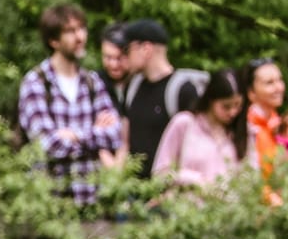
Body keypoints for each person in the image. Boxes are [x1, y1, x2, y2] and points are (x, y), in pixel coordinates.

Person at [16, 3, 123, 207]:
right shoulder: (36, 82)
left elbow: (114, 135)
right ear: (54, 40)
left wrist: (74, 135)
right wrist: (94, 134)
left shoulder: (92, 82)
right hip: (49, 204)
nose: (80, 37)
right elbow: (48, 145)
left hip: (92, 201)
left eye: (82, 28)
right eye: (71, 31)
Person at [119, 19, 206, 177]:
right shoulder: (132, 87)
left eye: (127, 50)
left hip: (169, 190)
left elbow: (194, 147)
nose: (123, 58)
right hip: (134, 191)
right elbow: (125, 140)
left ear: (146, 49)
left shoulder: (183, 90)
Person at [151, 68, 249, 189]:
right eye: (226, 106)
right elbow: (159, 173)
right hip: (187, 204)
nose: (233, 112)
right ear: (211, 100)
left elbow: (250, 176)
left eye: (238, 105)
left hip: (227, 206)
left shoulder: (243, 131)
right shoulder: (185, 123)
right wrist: (188, 179)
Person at [241, 57, 288, 175]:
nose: (279, 87)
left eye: (280, 80)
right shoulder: (246, 126)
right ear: (251, 92)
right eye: (269, 83)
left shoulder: (279, 122)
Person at [97, 22, 132, 118]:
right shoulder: (94, 83)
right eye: (108, 57)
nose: (114, 65)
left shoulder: (142, 84)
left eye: (119, 58)